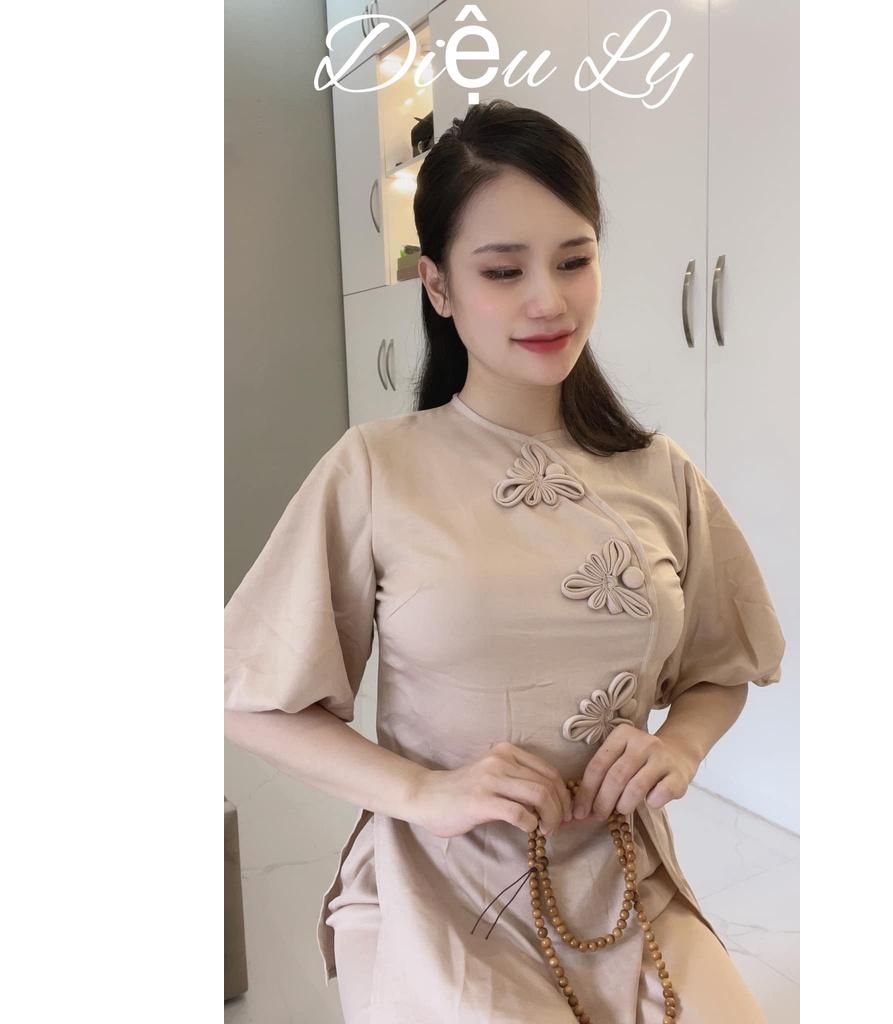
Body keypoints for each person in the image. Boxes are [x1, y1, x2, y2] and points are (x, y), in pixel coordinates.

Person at [224, 99, 786, 1023]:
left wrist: (680, 745)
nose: (548, 300)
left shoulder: (659, 472)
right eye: (502, 270)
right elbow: (250, 699)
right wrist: (421, 791)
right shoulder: (377, 468)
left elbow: (723, 667)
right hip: (439, 883)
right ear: (438, 286)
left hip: (624, 886)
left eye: (574, 260)